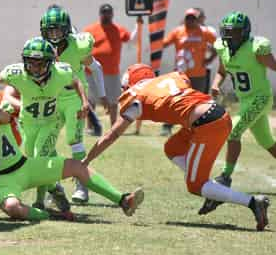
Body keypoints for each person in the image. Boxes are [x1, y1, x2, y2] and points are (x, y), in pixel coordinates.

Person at [82, 63, 270, 231]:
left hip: (206, 124)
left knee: (195, 185)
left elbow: (112, 134)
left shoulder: (136, 96)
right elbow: (183, 86)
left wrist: (88, 159)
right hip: (214, 113)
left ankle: (253, 202)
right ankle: (211, 189)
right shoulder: (170, 77)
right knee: (173, 147)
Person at [0, 103, 144, 221]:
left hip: (26, 166)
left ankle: (123, 200)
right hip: (3, 179)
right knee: (13, 207)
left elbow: (6, 114)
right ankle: (49, 214)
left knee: (76, 166)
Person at [0, 37, 89, 211]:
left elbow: (76, 81)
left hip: (50, 122)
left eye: (40, 64)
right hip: (28, 123)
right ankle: (54, 189)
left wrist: (84, 101)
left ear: (50, 63)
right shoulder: (17, 73)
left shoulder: (60, 72)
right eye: (31, 64)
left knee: (40, 156)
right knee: (33, 160)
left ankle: (40, 200)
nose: (34, 68)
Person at [199, 12, 276, 215]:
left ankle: (225, 176)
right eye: (228, 32)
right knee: (266, 142)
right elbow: (222, 71)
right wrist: (216, 85)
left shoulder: (256, 48)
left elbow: (274, 66)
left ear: (245, 32)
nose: (230, 36)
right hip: (245, 101)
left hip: (260, 98)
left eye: (234, 33)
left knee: (233, 132)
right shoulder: (222, 48)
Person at [40, 6, 108, 203]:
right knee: (45, 143)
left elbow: (96, 68)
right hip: (52, 99)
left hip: (74, 99)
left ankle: (81, 185)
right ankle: (54, 187)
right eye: (50, 30)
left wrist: (101, 94)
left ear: (67, 29)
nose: (53, 34)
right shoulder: (42, 48)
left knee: (74, 140)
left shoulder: (78, 46)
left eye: (57, 30)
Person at [161, 8, 217, 136]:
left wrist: (210, 58)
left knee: (197, 103)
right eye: (188, 18)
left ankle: (195, 128)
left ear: (197, 20)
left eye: (193, 18)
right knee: (176, 101)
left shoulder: (205, 32)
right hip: (181, 75)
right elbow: (163, 44)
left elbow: (219, 46)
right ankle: (167, 126)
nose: (190, 20)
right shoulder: (178, 31)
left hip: (199, 75)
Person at [84, 3, 132, 127]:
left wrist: (138, 24)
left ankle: (113, 125)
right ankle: (91, 126)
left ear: (112, 14)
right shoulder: (90, 30)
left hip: (111, 72)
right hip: (92, 71)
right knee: (91, 100)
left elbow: (130, 39)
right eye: (104, 13)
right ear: (100, 14)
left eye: (108, 13)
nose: (106, 15)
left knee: (113, 101)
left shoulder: (118, 29)